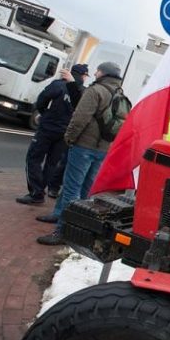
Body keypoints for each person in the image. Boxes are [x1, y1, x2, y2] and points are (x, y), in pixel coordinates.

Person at [37, 62, 123, 245]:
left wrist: (69, 138)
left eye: (98, 70)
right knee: (85, 190)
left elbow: (79, 118)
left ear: (103, 73)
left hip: (84, 146)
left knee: (71, 188)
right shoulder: (119, 94)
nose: (95, 72)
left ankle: (62, 231)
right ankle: (68, 220)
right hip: (102, 149)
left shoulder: (96, 90)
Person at [15, 64, 89, 205]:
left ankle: (36, 193)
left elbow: (41, 101)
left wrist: (46, 115)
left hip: (47, 128)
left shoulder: (58, 85)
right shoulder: (83, 92)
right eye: (86, 75)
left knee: (33, 158)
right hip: (64, 132)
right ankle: (39, 191)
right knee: (52, 163)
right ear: (82, 75)